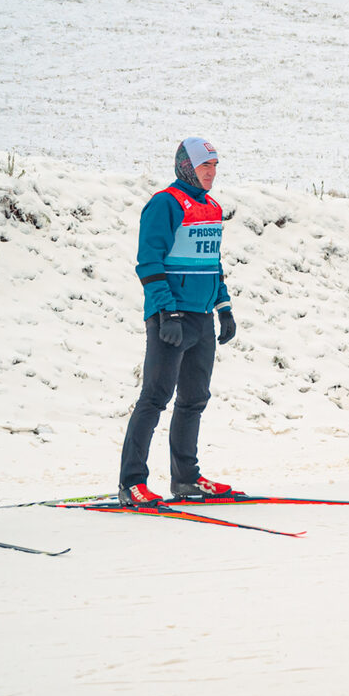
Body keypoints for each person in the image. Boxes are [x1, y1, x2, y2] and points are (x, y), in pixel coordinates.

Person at [117, 138, 238, 506]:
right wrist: (165, 312)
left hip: (201, 318)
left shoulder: (213, 207)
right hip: (171, 318)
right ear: (186, 166)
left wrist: (224, 306)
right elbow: (149, 263)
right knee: (154, 398)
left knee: (195, 399)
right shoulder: (164, 204)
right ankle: (131, 482)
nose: (211, 173)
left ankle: (186, 478)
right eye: (205, 166)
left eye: (215, 166)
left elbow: (212, 262)